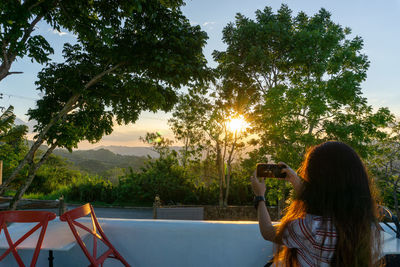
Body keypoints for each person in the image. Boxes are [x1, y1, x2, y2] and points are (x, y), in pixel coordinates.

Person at [251, 141, 382, 266]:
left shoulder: (311, 228)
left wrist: (260, 196)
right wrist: (295, 180)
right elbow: (324, 201)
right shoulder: (368, 227)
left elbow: (268, 232)